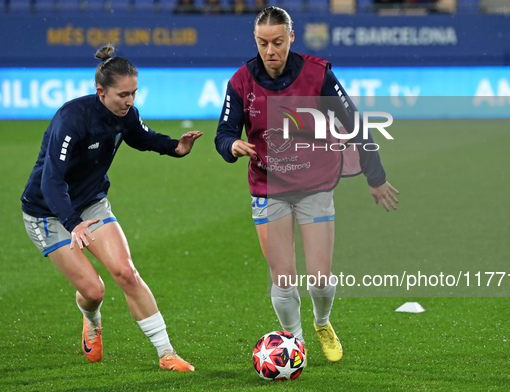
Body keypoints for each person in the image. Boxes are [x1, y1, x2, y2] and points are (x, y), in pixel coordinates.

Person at [214, 6, 399, 364]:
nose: (270, 51)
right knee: (282, 278)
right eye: (263, 43)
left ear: (291, 38)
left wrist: (375, 178)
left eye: (278, 42)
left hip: (315, 185)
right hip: (268, 190)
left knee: (320, 278)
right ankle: (294, 341)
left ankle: (322, 322)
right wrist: (231, 146)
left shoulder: (318, 75)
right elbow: (224, 132)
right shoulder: (240, 81)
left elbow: (357, 124)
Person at [21, 44, 202, 371]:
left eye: (134, 93)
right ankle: (92, 322)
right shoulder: (71, 119)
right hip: (47, 212)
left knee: (127, 273)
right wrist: (72, 222)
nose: (130, 101)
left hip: (91, 203)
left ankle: (166, 354)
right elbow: (51, 181)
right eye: (123, 94)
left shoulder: (126, 115)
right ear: (100, 91)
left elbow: (144, 137)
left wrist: (176, 147)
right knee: (94, 290)